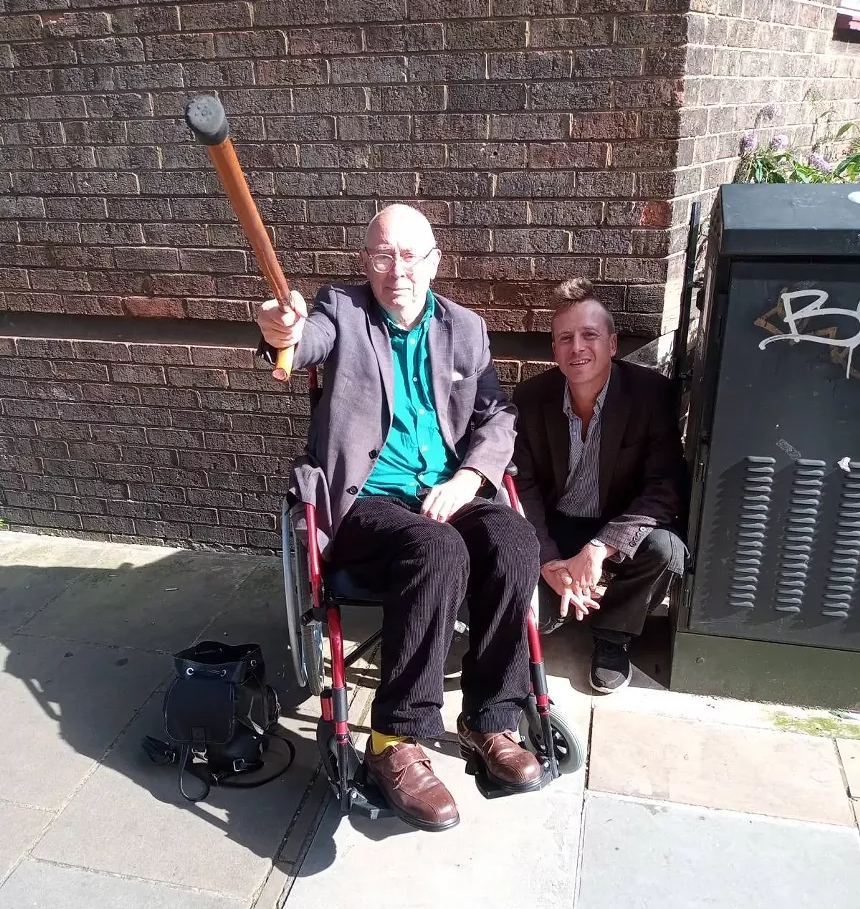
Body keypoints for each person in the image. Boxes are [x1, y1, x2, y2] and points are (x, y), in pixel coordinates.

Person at [257, 204, 543, 832]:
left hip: (445, 492)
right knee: (436, 548)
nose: (397, 270)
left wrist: (469, 479)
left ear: (434, 262)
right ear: (366, 262)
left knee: (515, 540)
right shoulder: (342, 311)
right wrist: (281, 331)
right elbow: (302, 342)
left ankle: (491, 718)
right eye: (383, 255)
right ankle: (394, 744)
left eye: (410, 255)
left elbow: (497, 417)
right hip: (366, 507)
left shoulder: (465, 328)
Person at [513, 278, 686, 695]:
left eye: (590, 335)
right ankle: (557, 603)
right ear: (554, 350)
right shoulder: (532, 396)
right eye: (565, 338)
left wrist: (601, 546)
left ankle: (612, 637)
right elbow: (524, 487)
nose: (578, 348)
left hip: (617, 521)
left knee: (666, 551)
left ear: (612, 344)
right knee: (538, 614)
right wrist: (549, 562)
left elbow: (666, 486)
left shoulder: (651, 395)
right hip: (556, 523)